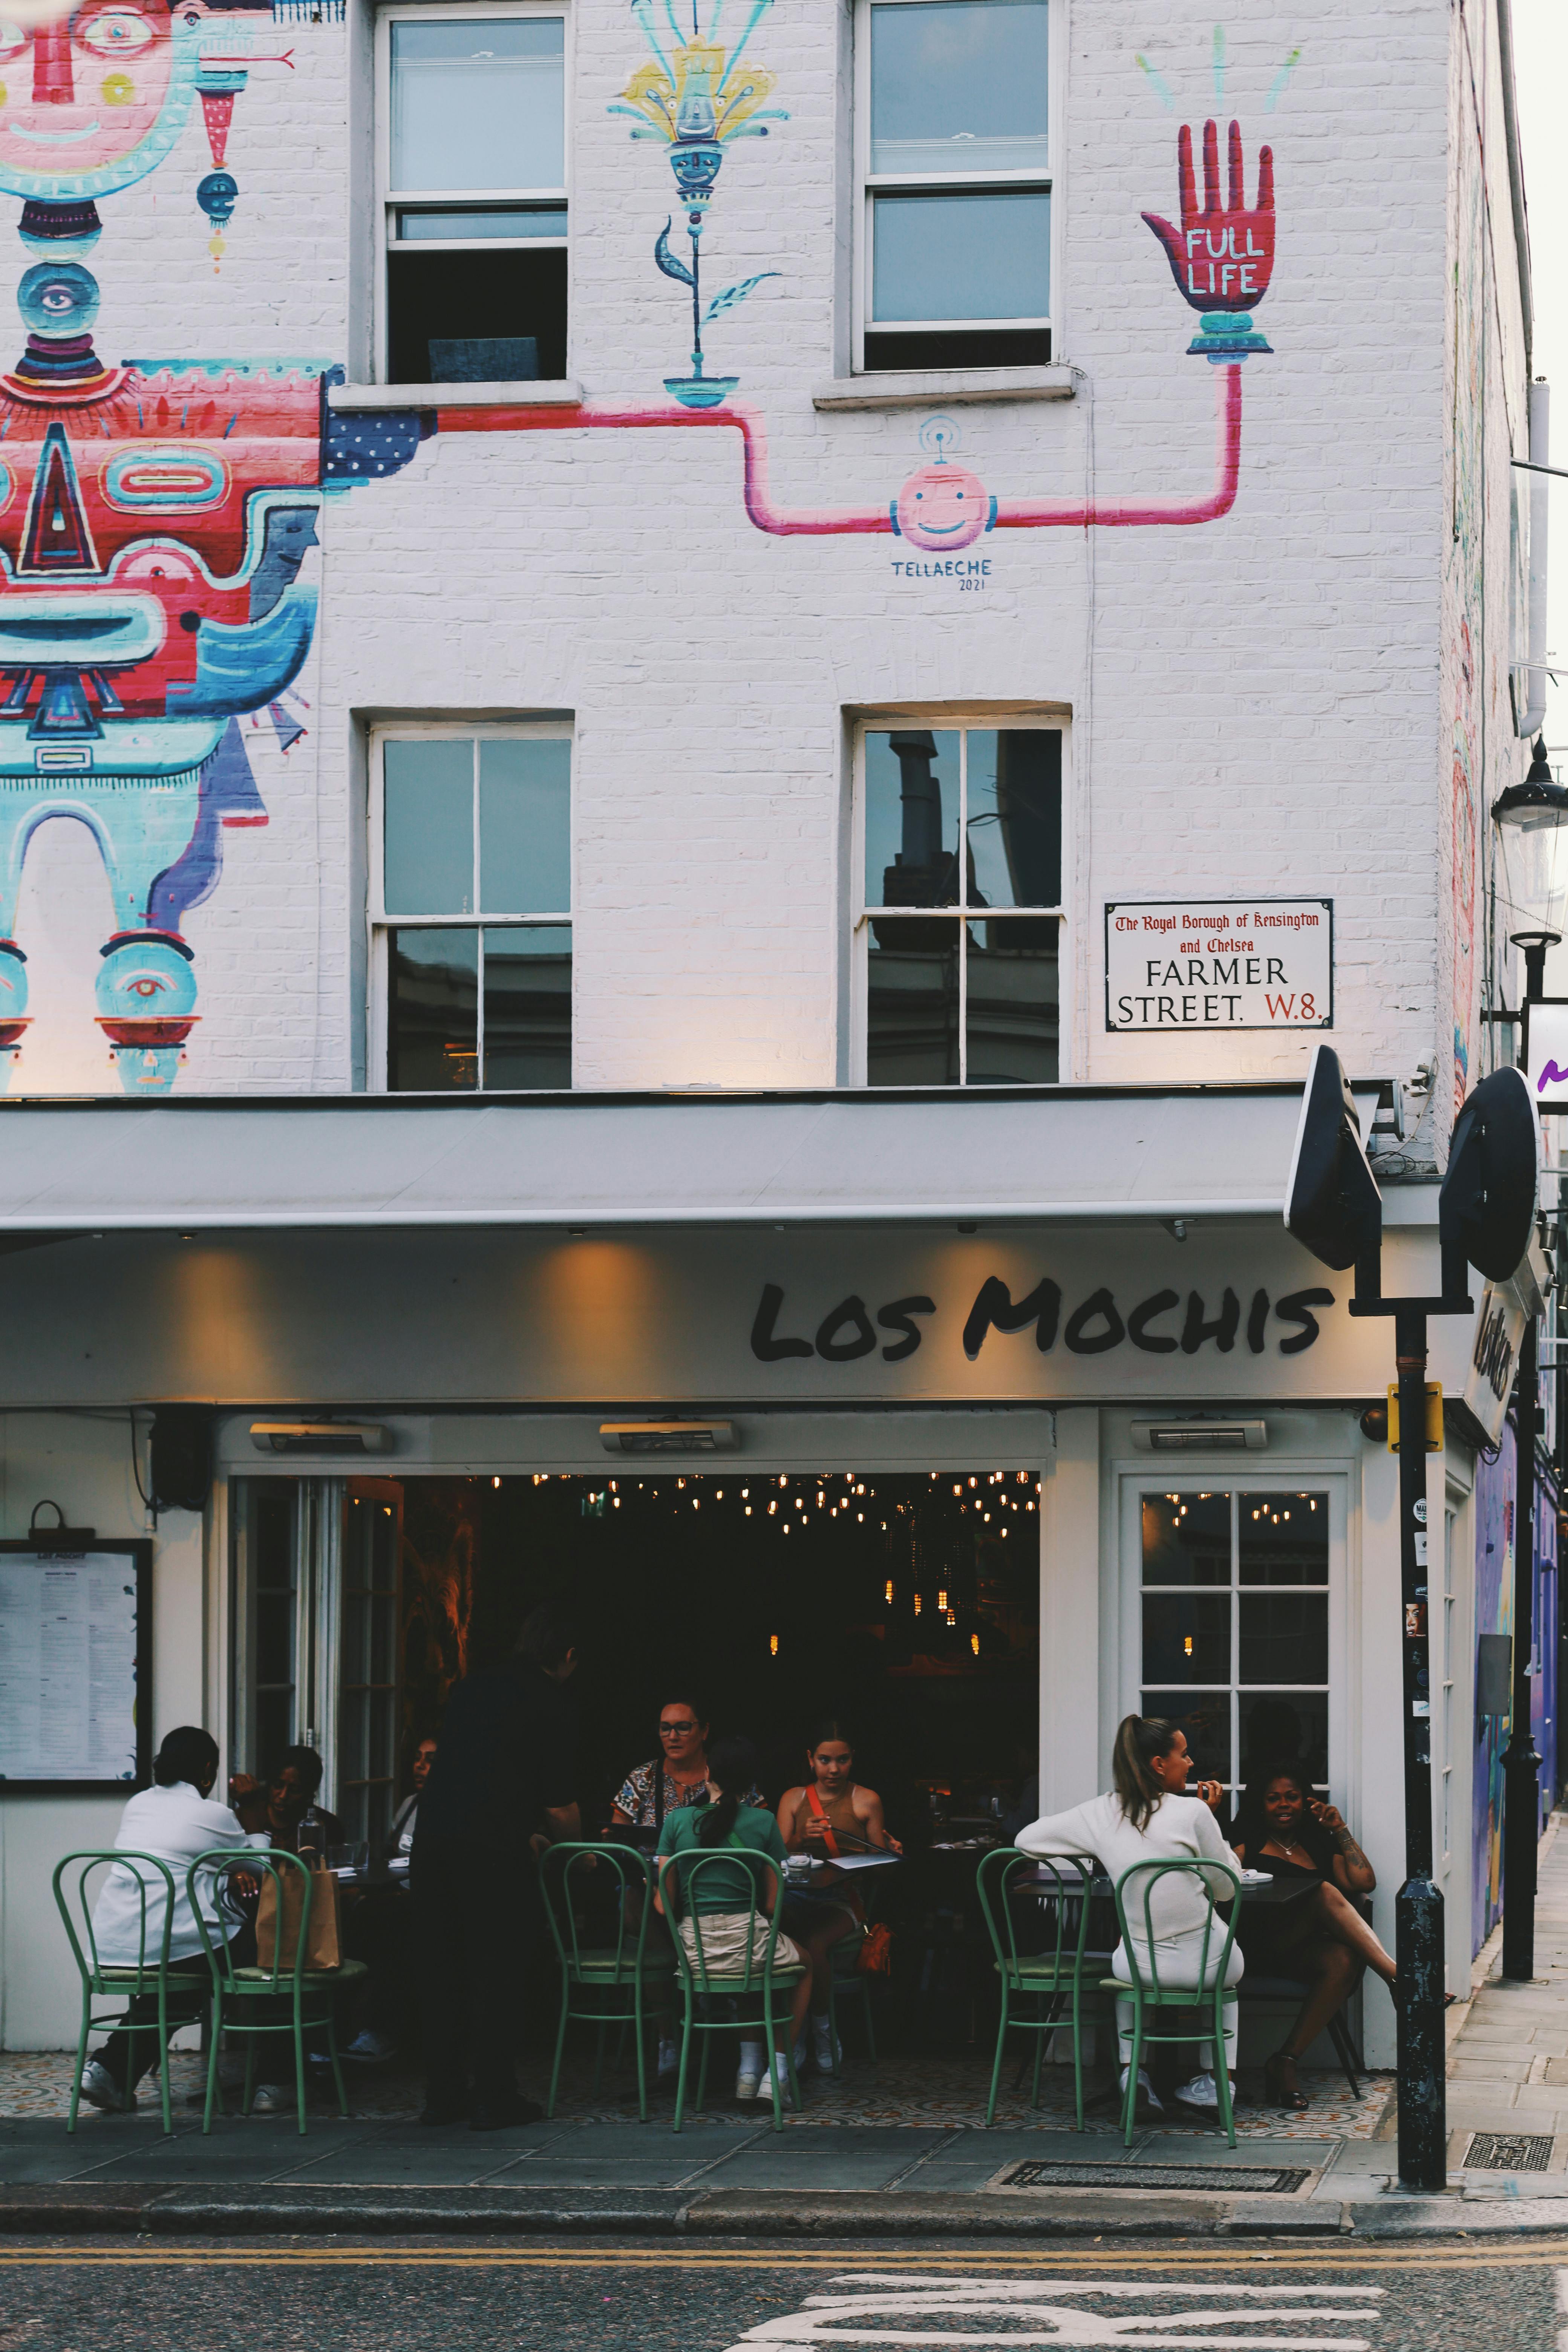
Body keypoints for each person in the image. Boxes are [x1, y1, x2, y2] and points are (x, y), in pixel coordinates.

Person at [1017, 1714, 1244, 2122]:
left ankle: (1131, 2074)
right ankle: (1216, 2083)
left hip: (1142, 1969)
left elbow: (1025, 1840)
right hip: (1209, 1968)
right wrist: (1212, 1824)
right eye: (1184, 1755)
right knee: (1221, 1953)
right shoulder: (1193, 1812)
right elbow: (1227, 1889)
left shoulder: (1100, 1813)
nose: (1190, 1764)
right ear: (1159, 1764)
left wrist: (1097, 1848)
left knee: (1128, 1958)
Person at [411, 1602, 581, 2130]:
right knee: (496, 1972)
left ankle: (441, 2096)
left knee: (442, 1971)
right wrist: (579, 1852)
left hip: (434, 1840)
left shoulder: (471, 1687)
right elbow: (559, 1805)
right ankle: (493, 2096)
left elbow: (478, 1770)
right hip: (491, 1852)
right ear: (568, 1657)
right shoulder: (550, 1700)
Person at [79, 1725, 269, 2114]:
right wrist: (250, 1808)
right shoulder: (212, 1814)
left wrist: (222, 1872)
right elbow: (262, 1868)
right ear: (206, 1771)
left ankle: (108, 2071)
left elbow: (183, 1860)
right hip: (167, 1946)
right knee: (273, 1954)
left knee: (181, 1992)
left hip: (114, 1946)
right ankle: (279, 2078)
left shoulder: (139, 1804)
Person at [1230, 1759, 1396, 2110]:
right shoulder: (1246, 1838)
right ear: (1262, 1803)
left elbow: (1364, 1883)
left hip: (1299, 1950)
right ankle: (1398, 1977)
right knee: (1321, 1892)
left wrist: (1340, 1829)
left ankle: (1286, 2061)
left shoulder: (1318, 1842)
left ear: (1305, 1801)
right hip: (1254, 1945)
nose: (1284, 1805)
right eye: (1274, 1798)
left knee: (1343, 1958)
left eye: (1292, 1797)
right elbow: (1223, 1879)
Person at [655, 1732, 811, 2101]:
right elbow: (773, 1906)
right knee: (803, 1967)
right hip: (748, 1944)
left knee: (749, 1969)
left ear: (707, 1772)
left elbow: (663, 1905)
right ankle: (776, 2075)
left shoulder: (677, 1822)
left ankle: (746, 2073)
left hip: (695, 1956)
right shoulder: (762, 1822)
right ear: (749, 1781)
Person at [775, 1720, 900, 2075]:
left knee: (814, 1944)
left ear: (852, 1760)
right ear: (810, 1759)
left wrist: (889, 1853)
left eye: (842, 1760)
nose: (834, 1769)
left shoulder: (866, 1800)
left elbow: (881, 1871)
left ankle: (821, 2030)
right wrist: (800, 1838)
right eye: (825, 1760)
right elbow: (775, 1858)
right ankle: (797, 2036)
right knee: (782, 1942)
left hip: (841, 1900)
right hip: (794, 1897)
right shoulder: (793, 1798)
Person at [339, 1729, 439, 2066]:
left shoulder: (454, 1809)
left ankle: (382, 2032)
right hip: (398, 1900)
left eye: (431, 1760)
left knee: (389, 1926)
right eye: (418, 1759)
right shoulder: (410, 1805)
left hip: (432, 1906)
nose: (420, 1767)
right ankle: (337, 2031)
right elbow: (390, 1857)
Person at [611, 1697, 764, 1843]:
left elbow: (764, 1831)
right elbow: (618, 1835)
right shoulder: (642, 1777)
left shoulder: (730, 1770)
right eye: (665, 1729)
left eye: (683, 1728)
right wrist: (613, 1838)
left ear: (704, 1731)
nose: (672, 1737)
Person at [230, 1746, 342, 1855]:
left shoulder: (325, 1826)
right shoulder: (244, 1815)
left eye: (295, 1790)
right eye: (278, 1785)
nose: (283, 1796)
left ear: (309, 1793)